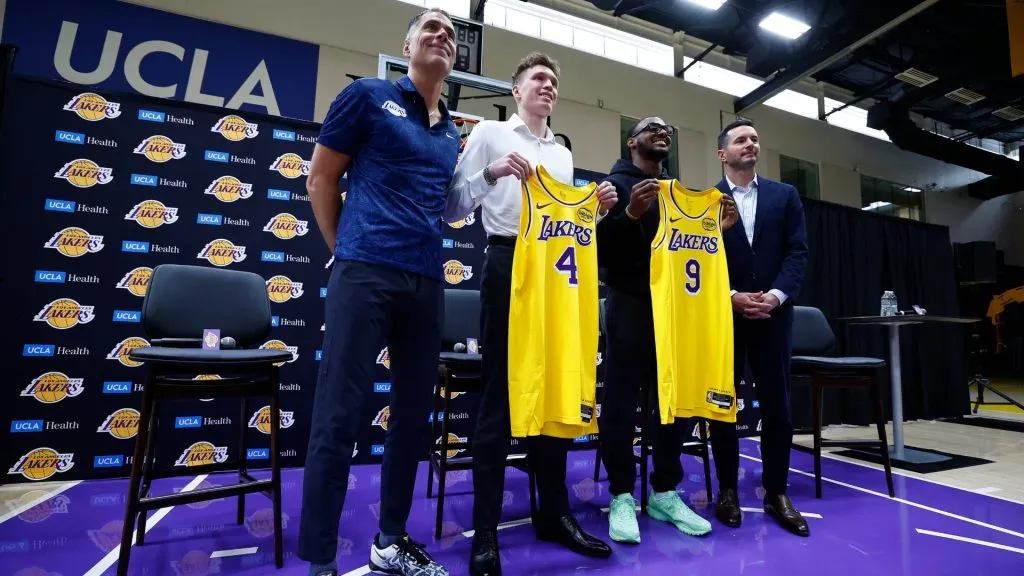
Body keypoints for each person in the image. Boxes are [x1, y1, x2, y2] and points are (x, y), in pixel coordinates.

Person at [298, 8, 461, 576]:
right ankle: (319, 561)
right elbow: (320, 178)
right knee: (338, 417)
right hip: (364, 271)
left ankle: (390, 543)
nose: (442, 36)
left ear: (454, 58)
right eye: (431, 29)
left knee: (412, 418)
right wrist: (346, 249)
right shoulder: (367, 96)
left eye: (451, 33)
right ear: (408, 44)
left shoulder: (452, 133)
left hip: (426, 281)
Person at [444, 52, 618, 576]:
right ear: (515, 90)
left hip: (557, 276)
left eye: (553, 82)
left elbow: (569, 225)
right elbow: (452, 206)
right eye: (538, 79)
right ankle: (487, 532)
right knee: (498, 394)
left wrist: (597, 208)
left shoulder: (562, 156)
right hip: (507, 262)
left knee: (555, 394)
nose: (548, 87)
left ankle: (554, 514)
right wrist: (491, 173)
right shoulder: (490, 135)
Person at [595, 117, 736, 544]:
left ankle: (664, 491)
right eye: (652, 127)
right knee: (619, 404)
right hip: (630, 305)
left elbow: (695, 252)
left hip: (675, 311)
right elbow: (597, 251)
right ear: (632, 141)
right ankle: (621, 494)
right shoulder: (612, 187)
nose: (663, 132)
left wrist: (718, 230)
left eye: (668, 130)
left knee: (674, 403)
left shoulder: (678, 194)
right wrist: (631, 214)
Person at [709, 118, 810, 537]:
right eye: (740, 139)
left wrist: (774, 296)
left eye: (754, 137)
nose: (751, 143)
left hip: (772, 315)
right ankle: (728, 490)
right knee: (722, 407)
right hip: (724, 315)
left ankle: (775, 492)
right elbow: (701, 259)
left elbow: (797, 253)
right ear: (722, 154)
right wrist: (731, 296)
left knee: (777, 408)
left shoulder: (785, 196)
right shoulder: (706, 201)